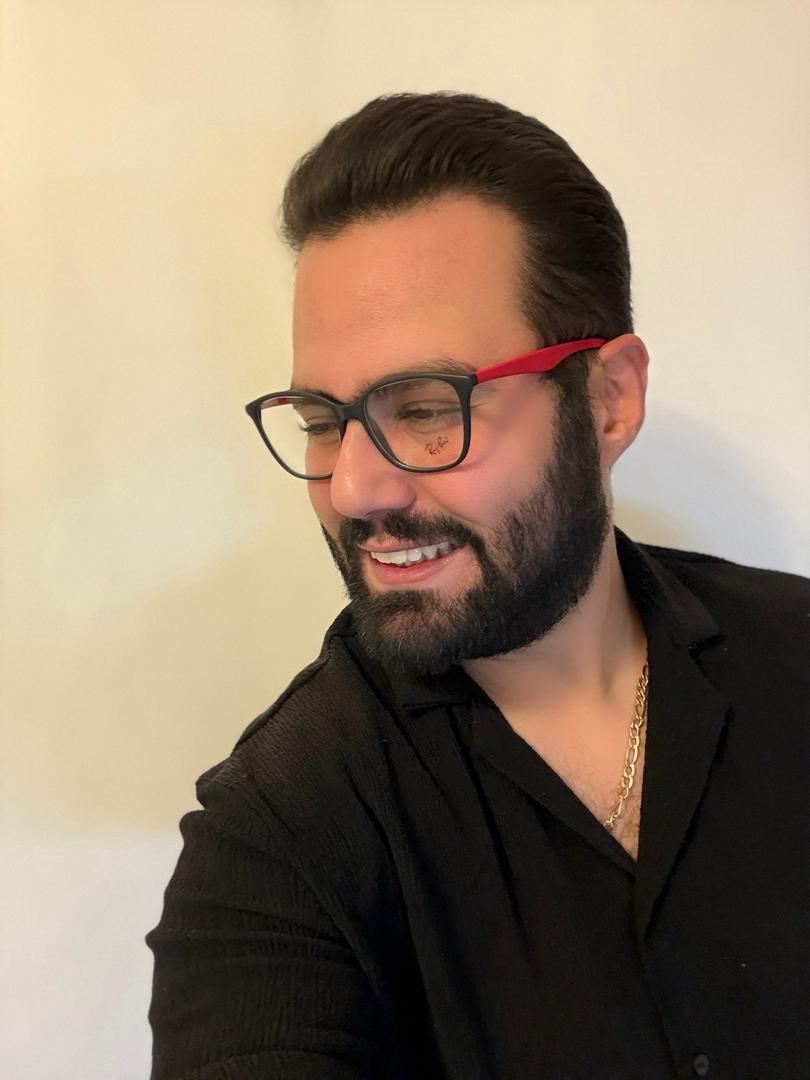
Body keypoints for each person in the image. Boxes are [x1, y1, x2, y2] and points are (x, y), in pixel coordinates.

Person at [147, 93, 810, 1080]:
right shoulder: (281, 837)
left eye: (425, 409)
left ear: (609, 399)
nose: (355, 490)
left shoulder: (795, 653)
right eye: (323, 420)